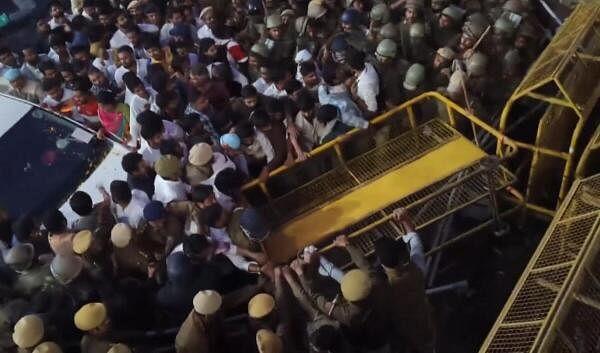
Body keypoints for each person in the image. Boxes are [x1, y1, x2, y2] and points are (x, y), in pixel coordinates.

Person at [374, 208, 435, 353]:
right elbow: (415, 240)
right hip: (425, 326)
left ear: (381, 264)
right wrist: (405, 220)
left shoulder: (384, 289)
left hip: (406, 336)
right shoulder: (417, 270)